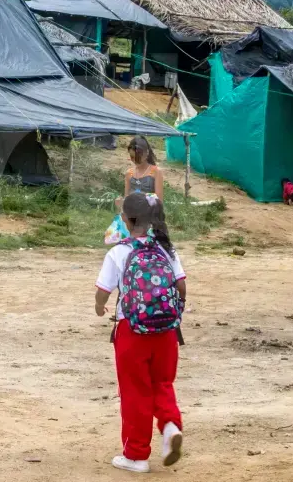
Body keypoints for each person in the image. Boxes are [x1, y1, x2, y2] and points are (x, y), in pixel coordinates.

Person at [95, 194, 186, 473]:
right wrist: (174, 311)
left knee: (135, 391)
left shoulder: (118, 252)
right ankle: (170, 426)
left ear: (125, 219)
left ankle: (136, 456)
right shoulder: (166, 249)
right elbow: (181, 287)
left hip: (132, 331)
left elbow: (103, 291)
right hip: (167, 331)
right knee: (161, 382)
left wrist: (100, 308)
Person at [124, 136, 164, 201]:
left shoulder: (156, 172)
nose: (135, 160)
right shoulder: (129, 173)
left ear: (147, 153)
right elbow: (126, 199)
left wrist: (140, 197)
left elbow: (159, 200)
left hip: (150, 210)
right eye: (132, 157)